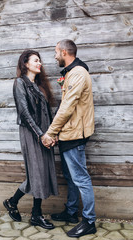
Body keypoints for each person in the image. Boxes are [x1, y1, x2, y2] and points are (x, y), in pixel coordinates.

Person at [42, 39, 96, 238]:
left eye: (56, 52)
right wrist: (58, 133)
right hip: (68, 133)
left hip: (75, 135)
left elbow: (67, 107)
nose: (55, 56)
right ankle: (72, 213)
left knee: (81, 178)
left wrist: (51, 132)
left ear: (64, 52)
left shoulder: (78, 73)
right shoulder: (71, 73)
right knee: (71, 176)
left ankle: (89, 221)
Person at [3, 49, 58, 230]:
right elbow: (24, 113)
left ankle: (13, 202)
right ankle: (36, 215)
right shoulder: (20, 83)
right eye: (35, 60)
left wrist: (51, 133)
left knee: (40, 172)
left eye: (40, 60)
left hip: (43, 133)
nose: (39, 63)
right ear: (25, 63)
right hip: (30, 133)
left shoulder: (40, 87)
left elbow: (47, 114)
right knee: (37, 172)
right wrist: (40, 134)